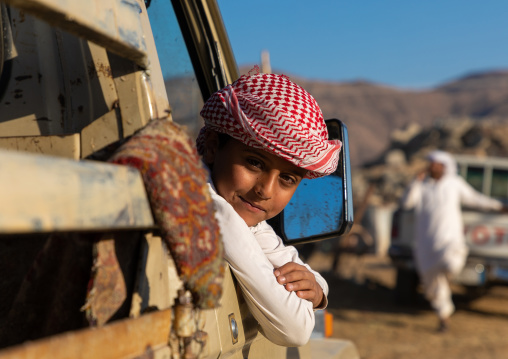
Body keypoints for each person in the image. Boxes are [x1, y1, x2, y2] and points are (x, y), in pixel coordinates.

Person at [195, 72, 342, 346]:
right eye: (254, 163)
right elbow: (295, 330)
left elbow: (289, 260)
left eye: (287, 179)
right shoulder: (206, 204)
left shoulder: (248, 220)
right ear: (214, 147)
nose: (265, 190)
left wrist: (317, 289)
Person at [401, 150, 504, 332]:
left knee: (450, 265)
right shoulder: (422, 186)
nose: (432, 167)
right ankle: (444, 316)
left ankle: (447, 292)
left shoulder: (454, 184)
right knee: (433, 285)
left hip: (450, 242)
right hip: (425, 244)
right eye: (431, 163)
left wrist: (499, 206)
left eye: (436, 164)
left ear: (445, 167)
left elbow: (476, 199)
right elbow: (407, 203)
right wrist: (416, 181)